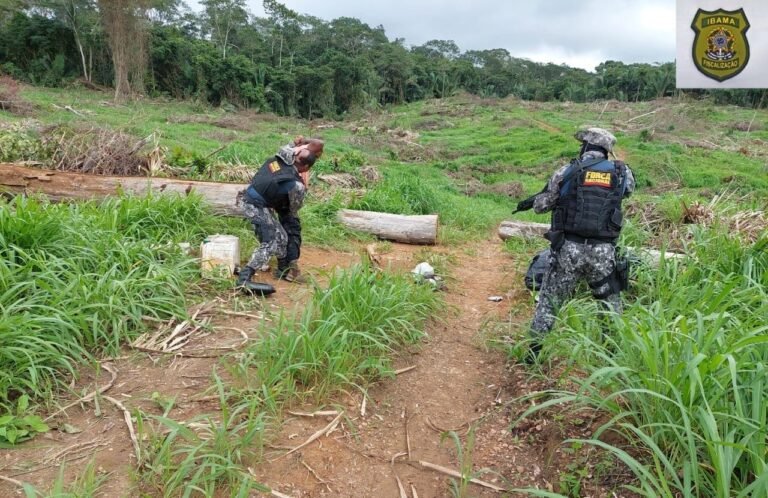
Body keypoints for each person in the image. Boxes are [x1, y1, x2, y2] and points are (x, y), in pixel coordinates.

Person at [526, 127, 635, 361]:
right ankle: (611, 361)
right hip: (603, 253)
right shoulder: (622, 172)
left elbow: (541, 206)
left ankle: (532, 356)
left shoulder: (567, 171)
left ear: (586, 146)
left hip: (568, 250)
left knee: (549, 304)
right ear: (606, 150)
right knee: (610, 308)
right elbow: (625, 193)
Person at [236, 144, 318, 289]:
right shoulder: (297, 186)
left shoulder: (283, 155)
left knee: (282, 237)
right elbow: (294, 209)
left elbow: (290, 146)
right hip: (253, 205)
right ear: (306, 167)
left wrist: (302, 143)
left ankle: (283, 270)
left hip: (252, 198)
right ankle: (244, 277)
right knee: (271, 241)